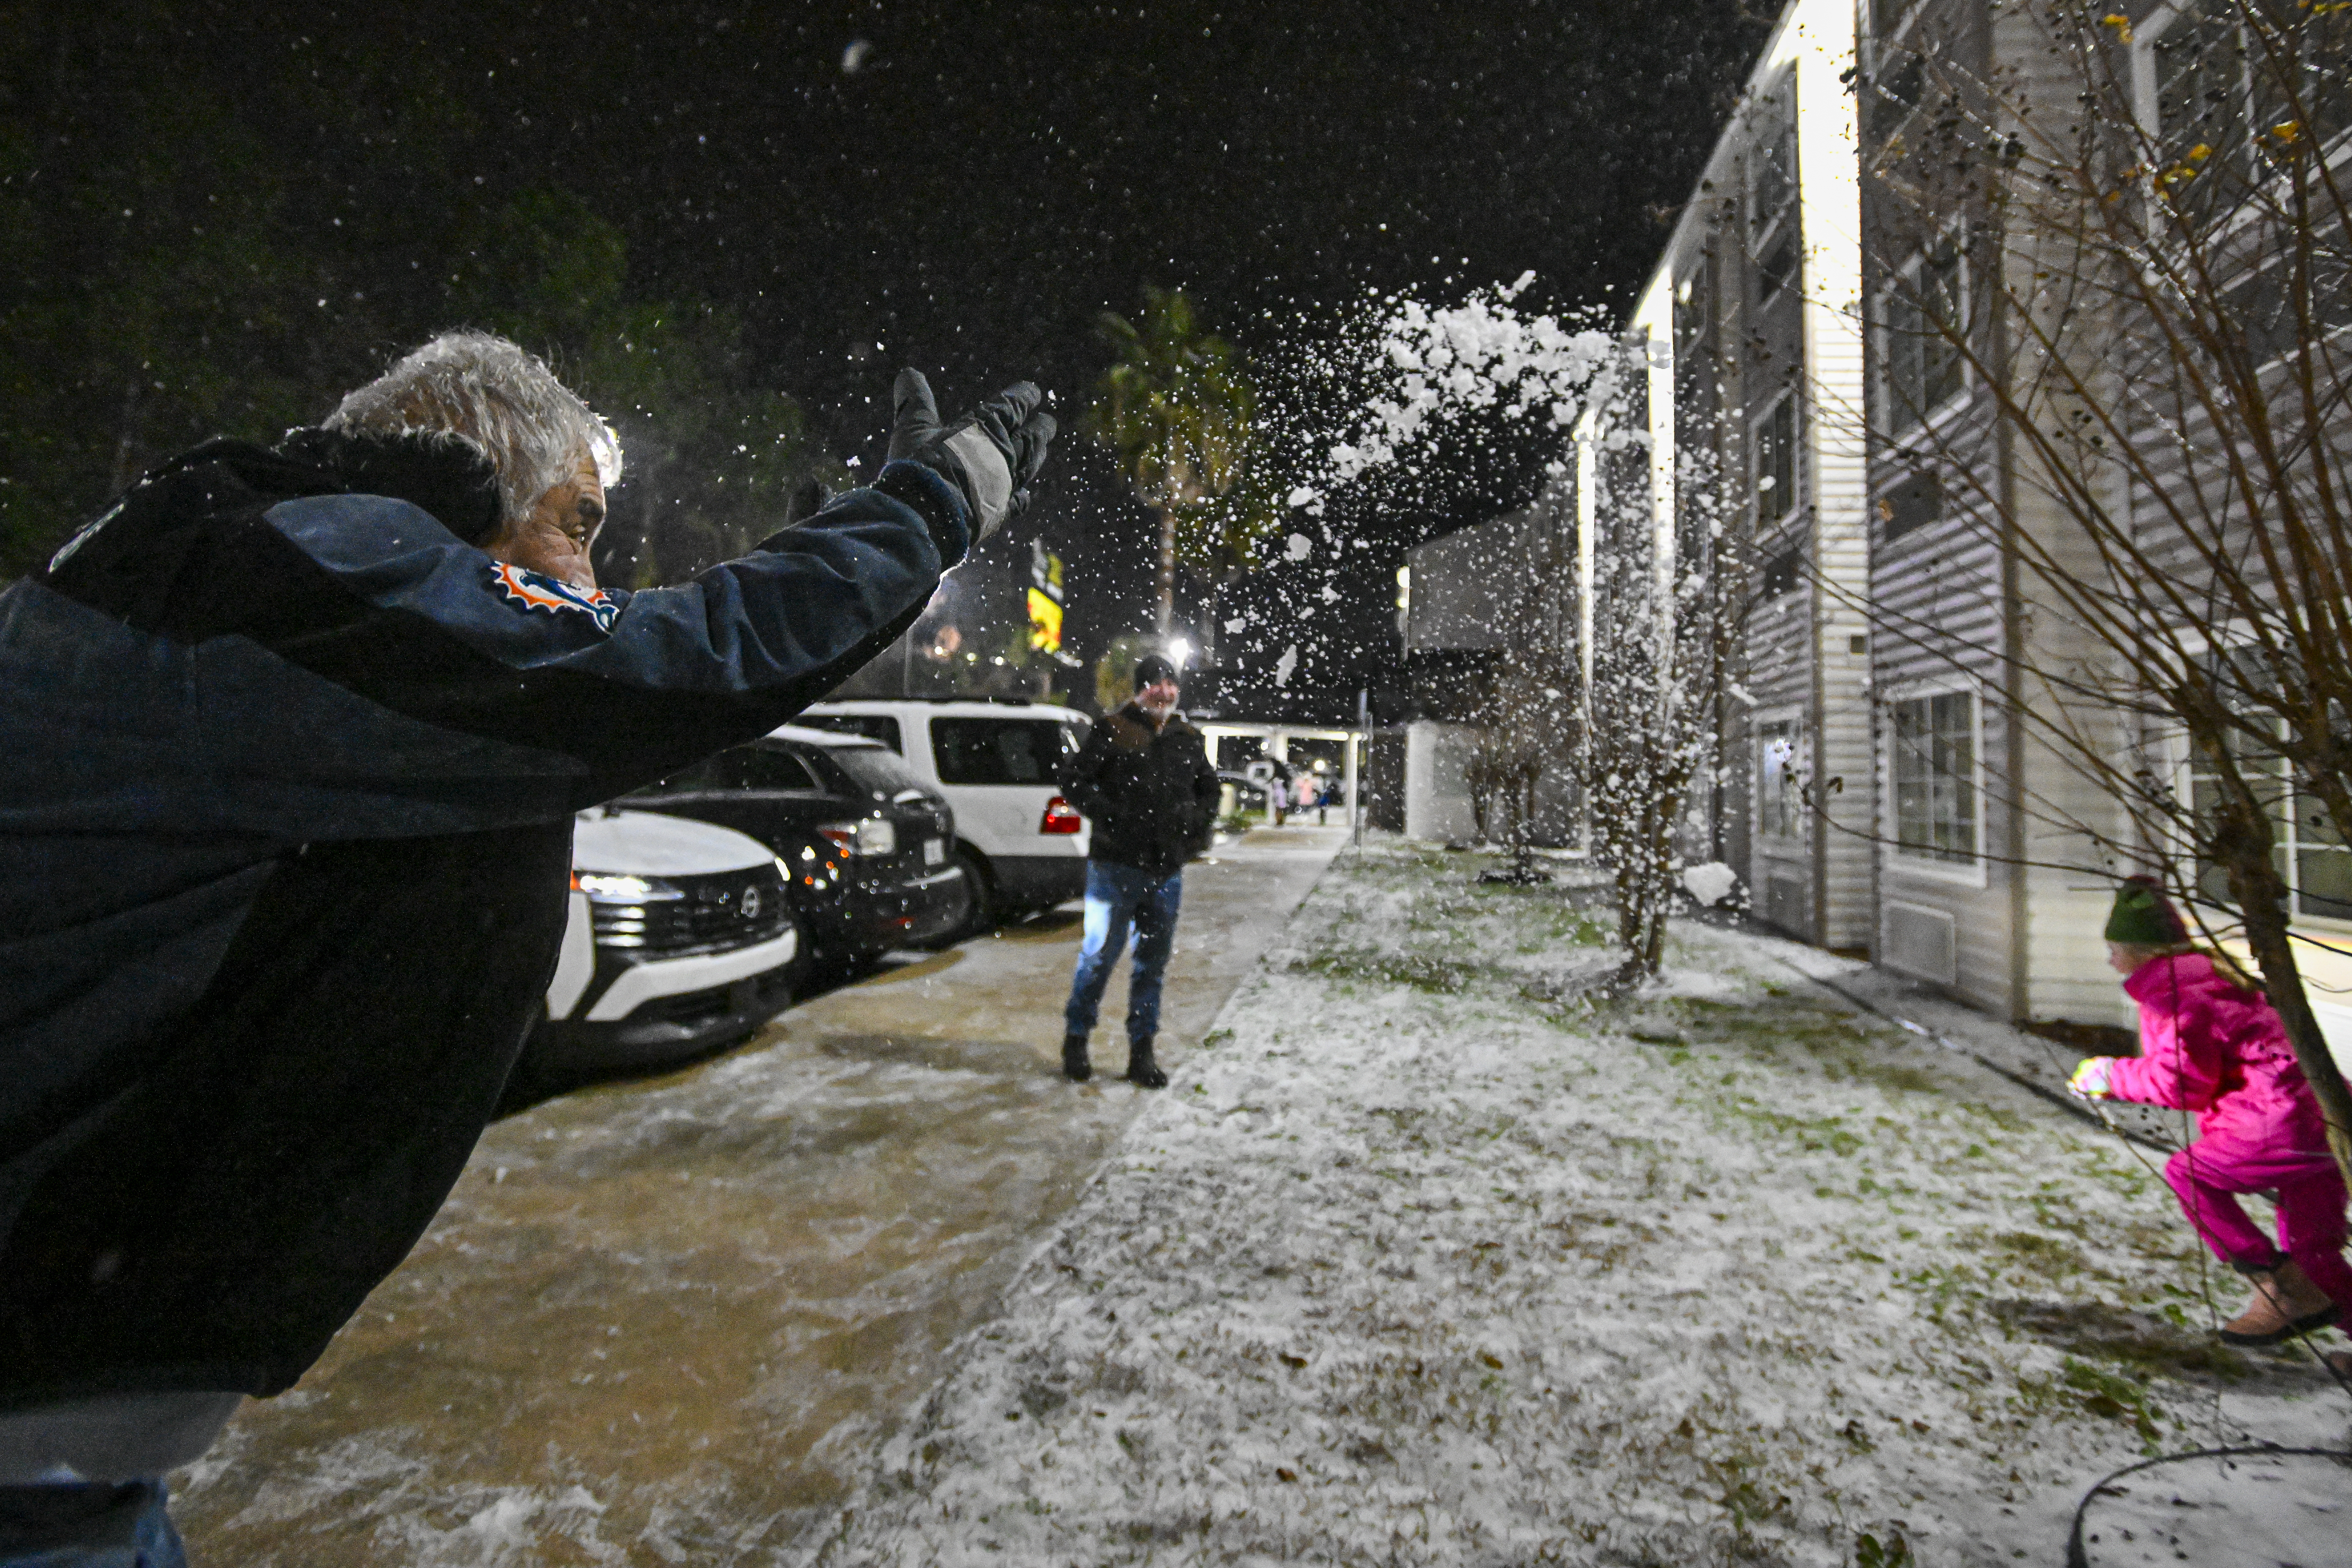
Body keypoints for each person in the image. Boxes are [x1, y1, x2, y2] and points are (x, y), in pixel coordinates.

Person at [0, 334, 1054, 1565]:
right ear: (475, 485)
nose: (589, 579)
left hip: (72, 1441)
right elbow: (674, 659)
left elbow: (640, 665)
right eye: (579, 523)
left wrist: (836, 578)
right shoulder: (285, 574)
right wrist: (930, 507)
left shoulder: (267, 576)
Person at [2068, 877, 2352, 1359]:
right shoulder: (2212, 972)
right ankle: (2306, 1292)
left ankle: (2272, 1280)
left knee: (2189, 1173)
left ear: (2139, 952)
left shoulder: (2171, 994)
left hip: (2276, 1124)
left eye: (2114, 949)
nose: (2110, 960)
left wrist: (2107, 1075)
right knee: (2314, 1250)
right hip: (2326, 1118)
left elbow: (2180, 1083)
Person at [1054, 653, 1217, 1088]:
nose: (1164, 691)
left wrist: (1194, 827)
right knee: (1098, 958)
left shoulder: (1187, 737)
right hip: (1114, 869)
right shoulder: (1112, 730)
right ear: (1140, 689)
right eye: (1156, 683)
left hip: (1166, 873)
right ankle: (1076, 1038)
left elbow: (1209, 790)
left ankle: (1141, 1052)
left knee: (1152, 965)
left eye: (1171, 683)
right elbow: (1074, 780)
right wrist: (1110, 815)